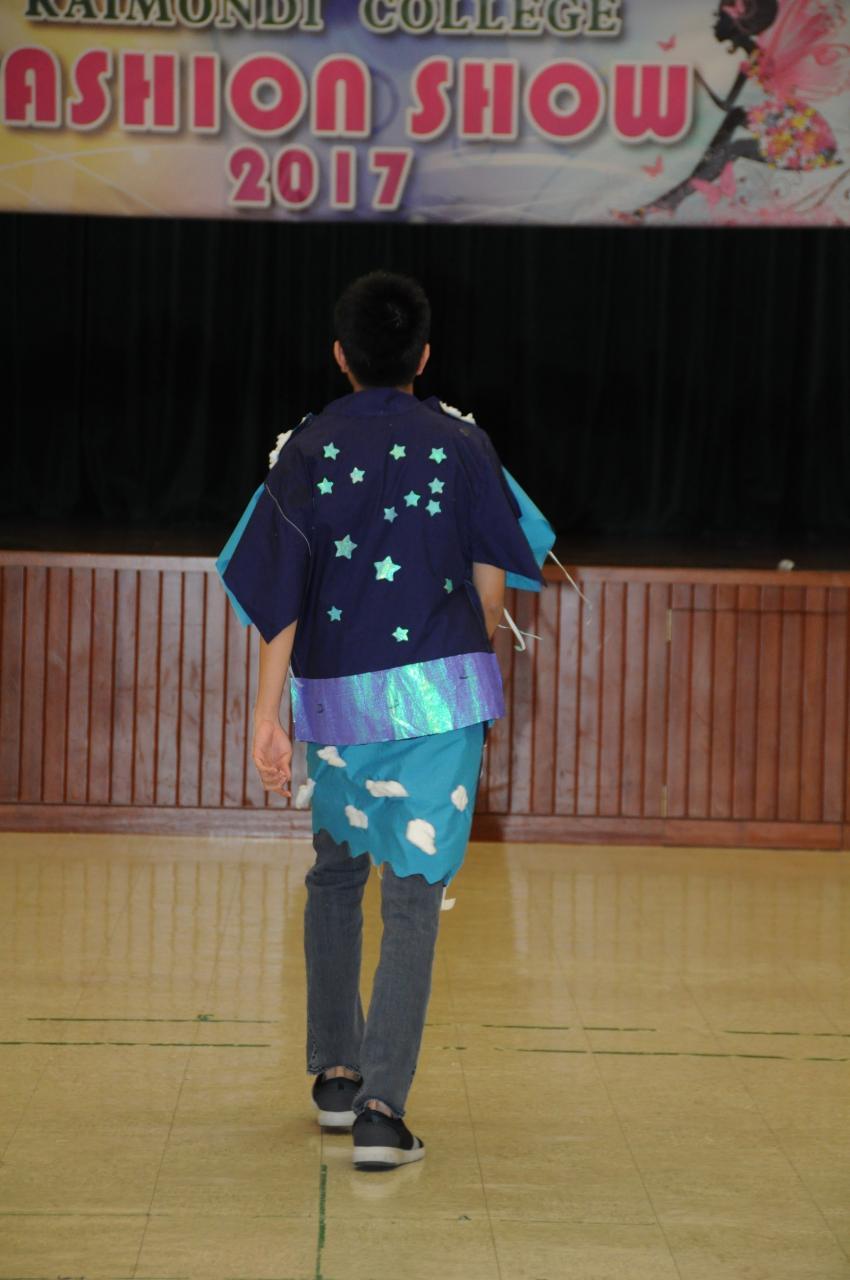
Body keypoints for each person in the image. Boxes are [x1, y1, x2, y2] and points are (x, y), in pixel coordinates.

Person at [217, 270, 547, 1171]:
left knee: (336, 873)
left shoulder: (308, 448)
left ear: (341, 355)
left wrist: (267, 715)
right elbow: (492, 593)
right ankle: (381, 1113)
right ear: (423, 357)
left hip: (336, 700)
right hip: (441, 695)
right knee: (412, 897)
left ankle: (335, 1074)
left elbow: (278, 596)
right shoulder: (465, 446)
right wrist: (460, 656)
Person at [632, 0, 849, 219]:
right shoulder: (751, 62)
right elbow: (728, 106)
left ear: (737, 21)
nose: (715, 23)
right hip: (783, 126)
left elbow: (771, 94)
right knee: (734, 120)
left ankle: (679, 193)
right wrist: (701, 82)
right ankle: (684, 187)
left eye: (720, 17)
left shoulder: (761, 58)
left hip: (804, 139)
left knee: (733, 141)